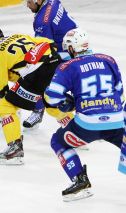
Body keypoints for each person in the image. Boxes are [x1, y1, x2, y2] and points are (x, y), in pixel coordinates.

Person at [43, 28, 124, 202]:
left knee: (57, 141)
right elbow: (121, 94)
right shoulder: (108, 60)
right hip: (117, 120)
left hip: (86, 125)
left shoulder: (67, 66)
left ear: (72, 48)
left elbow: (53, 97)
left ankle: (80, 180)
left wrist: (69, 102)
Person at [0, 24, 64, 165]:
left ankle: (14, 148)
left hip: (37, 74)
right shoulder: (16, 36)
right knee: (49, 99)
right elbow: (50, 43)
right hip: (55, 62)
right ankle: (73, 131)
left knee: (5, 107)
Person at [22, 0, 84, 129]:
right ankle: (93, 113)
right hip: (80, 44)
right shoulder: (52, 1)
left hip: (66, 53)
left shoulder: (42, 21)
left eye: (28, 2)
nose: (27, 5)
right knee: (82, 85)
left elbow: (45, 50)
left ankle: (39, 110)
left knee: (38, 76)